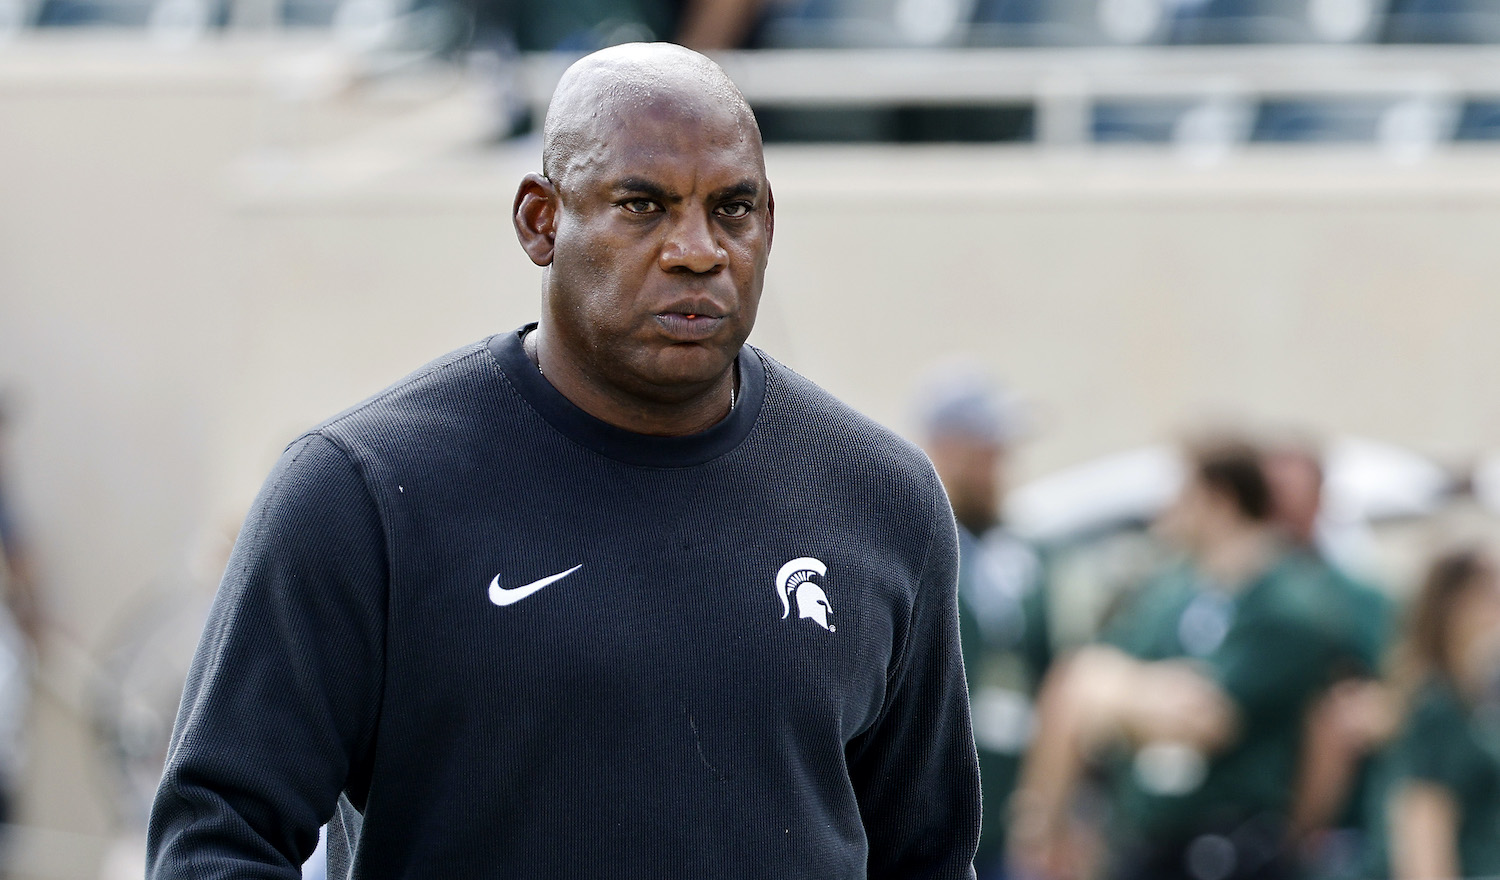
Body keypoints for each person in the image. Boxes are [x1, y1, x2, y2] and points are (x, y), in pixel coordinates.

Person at [146, 42, 980, 879]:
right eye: (643, 205)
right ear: (540, 221)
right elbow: (218, 838)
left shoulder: (882, 497)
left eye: (732, 209)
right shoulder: (361, 492)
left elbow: (929, 858)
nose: (698, 249)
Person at [1011, 436, 1352, 880]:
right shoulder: (1170, 593)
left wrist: (1116, 697)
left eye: (1181, 493)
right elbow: (1079, 682)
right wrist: (1140, 697)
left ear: (1220, 497)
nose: (1165, 510)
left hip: (1240, 844)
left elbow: (1208, 721)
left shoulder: (1290, 603)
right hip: (1150, 841)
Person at [918, 369, 1050, 880]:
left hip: (1008, 820)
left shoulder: (1018, 558)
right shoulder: (907, 547)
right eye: (985, 453)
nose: (998, 469)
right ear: (945, 449)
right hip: (931, 824)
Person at [1363, 548, 1500, 880]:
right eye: (1490, 596)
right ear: (1454, 606)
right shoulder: (1437, 707)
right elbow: (1422, 834)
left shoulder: (1468, 701)